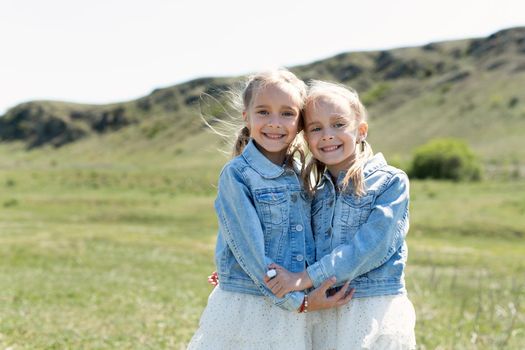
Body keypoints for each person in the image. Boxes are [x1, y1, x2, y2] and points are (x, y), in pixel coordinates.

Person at [188, 71, 353, 350]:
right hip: (254, 305)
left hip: (293, 308)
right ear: (246, 116)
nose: (275, 123)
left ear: (300, 122)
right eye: (263, 112)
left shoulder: (302, 175)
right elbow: (250, 251)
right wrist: (298, 303)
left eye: (287, 113)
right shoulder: (238, 175)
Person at [265, 80, 417, 349]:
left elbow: (369, 248)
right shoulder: (312, 191)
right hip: (324, 308)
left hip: (371, 307)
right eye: (316, 128)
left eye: (338, 124)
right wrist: (243, 266)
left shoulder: (389, 182)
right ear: (307, 139)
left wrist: (305, 278)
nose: (327, 135)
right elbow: (291, 240)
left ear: (360, 131)